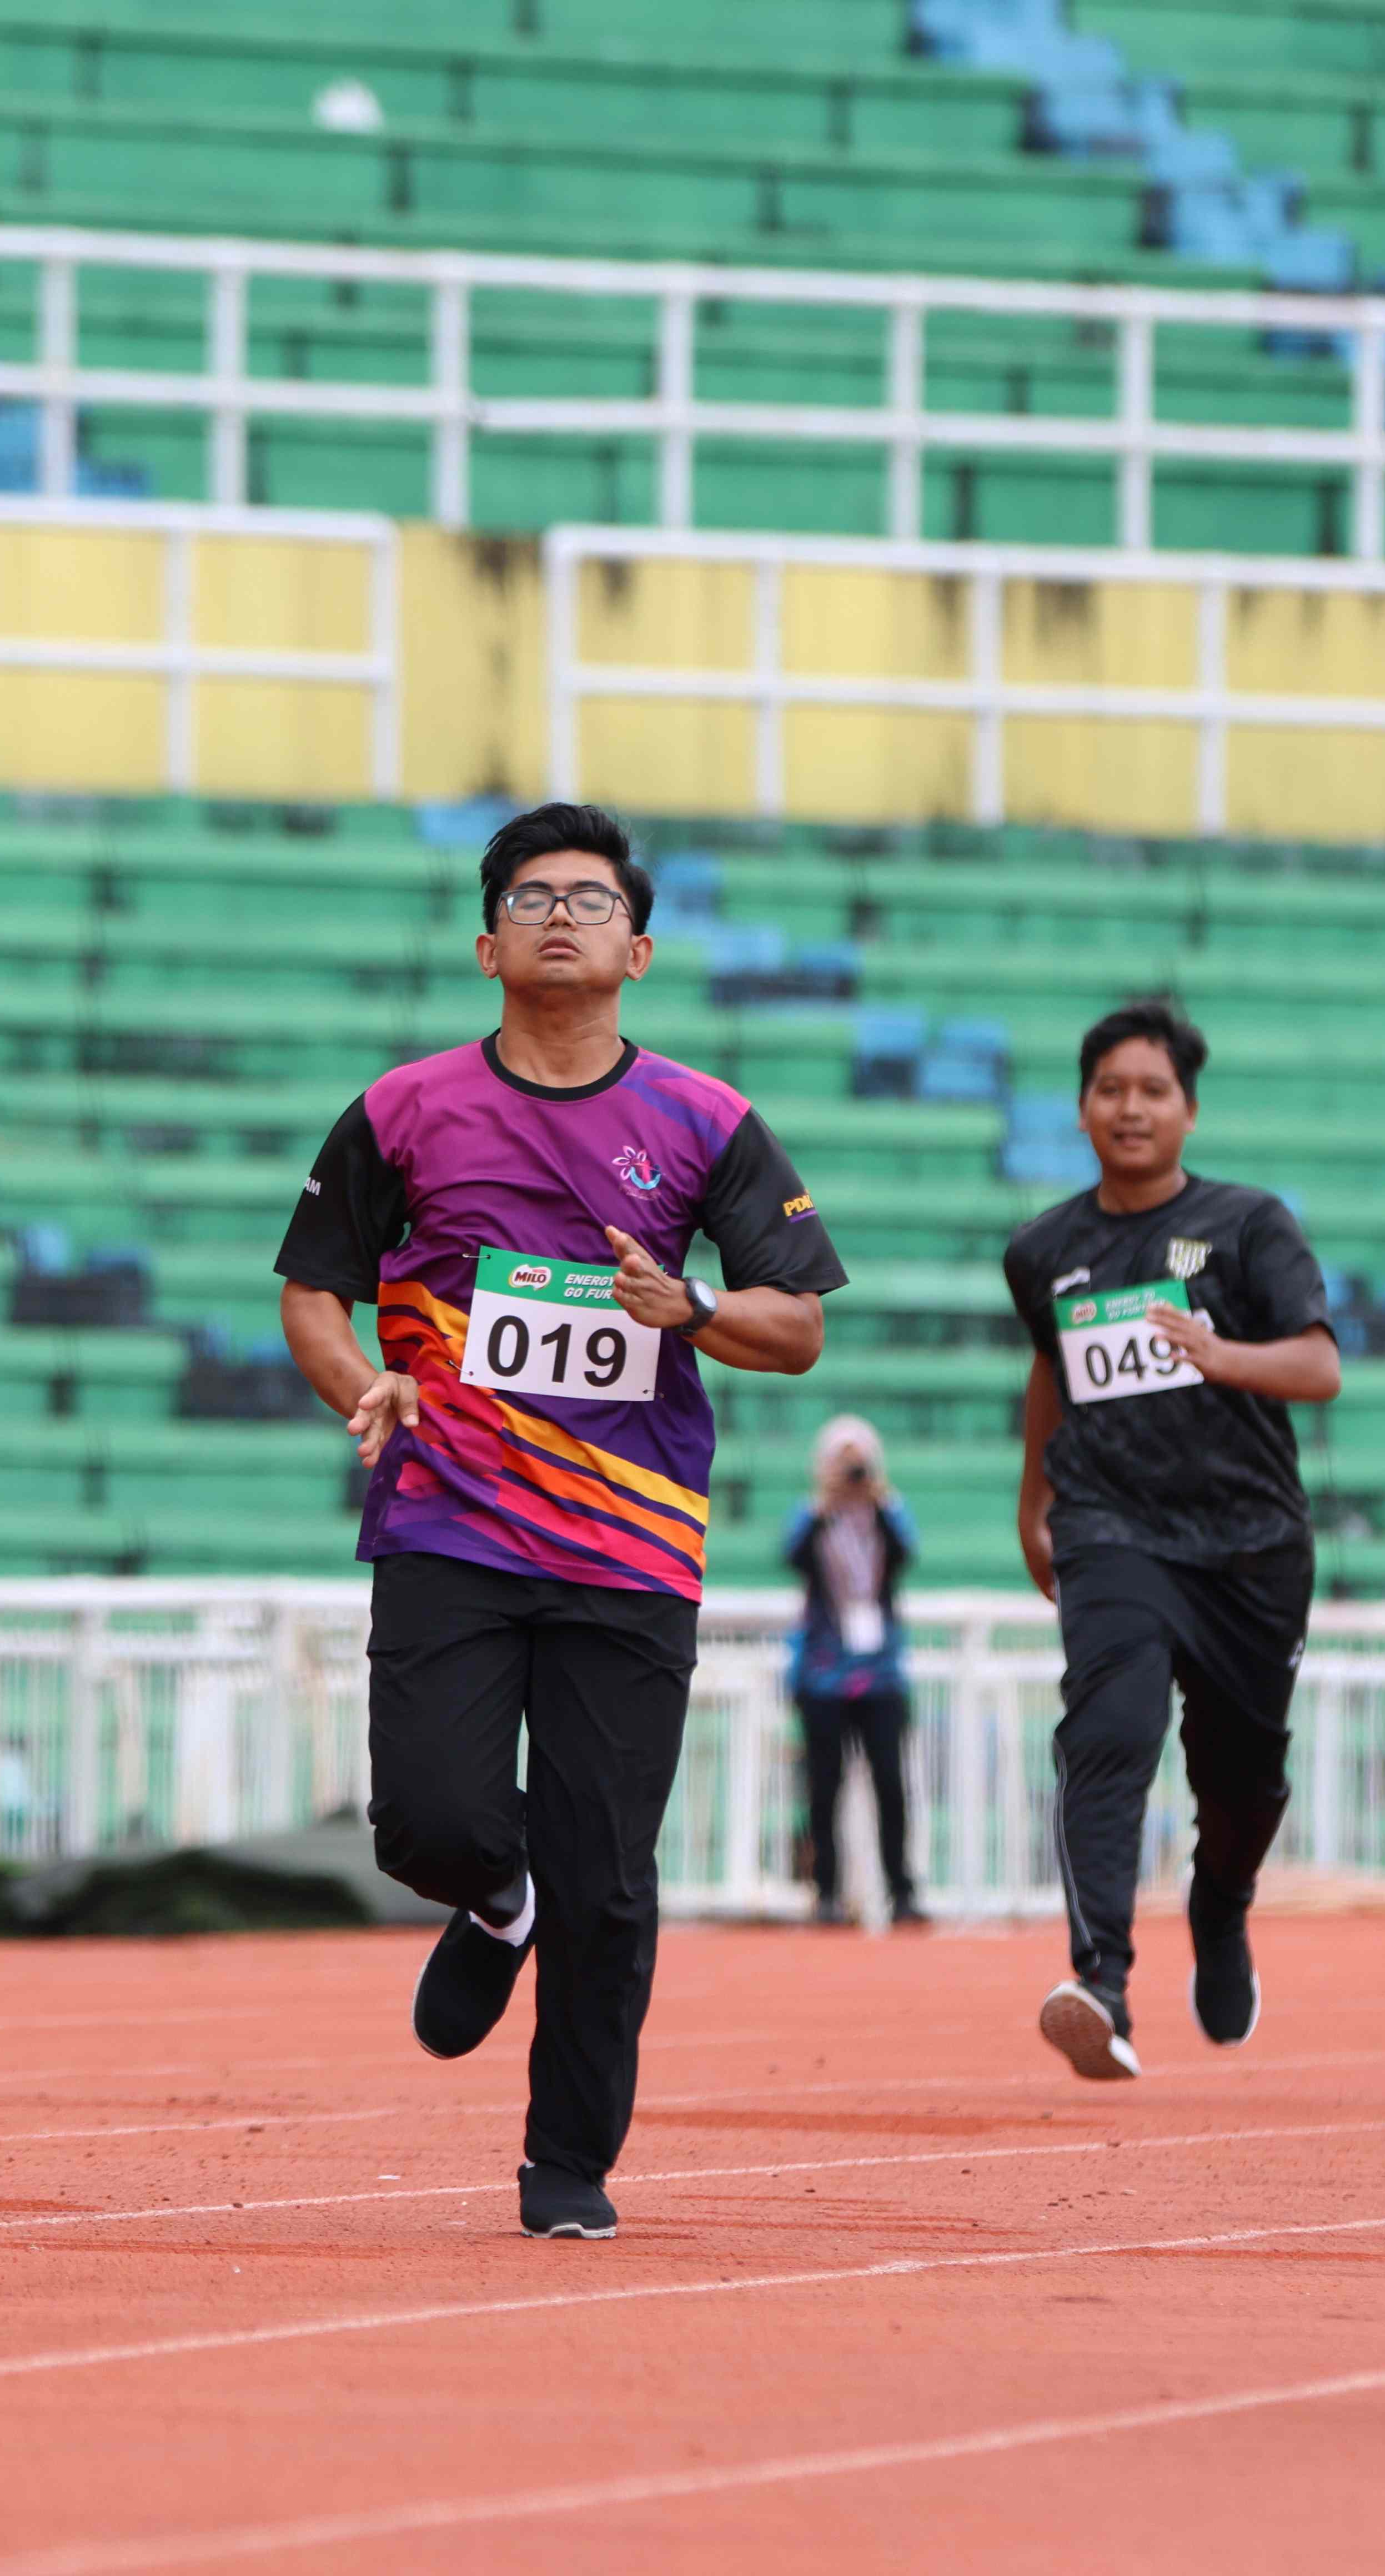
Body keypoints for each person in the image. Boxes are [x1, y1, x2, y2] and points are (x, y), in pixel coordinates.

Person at [275, 802, 846, 2241]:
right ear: (486, 946)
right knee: (430, 1816)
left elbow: (797, 1327)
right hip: (449, 1519)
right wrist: (361, 1383)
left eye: (591, 900)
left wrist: (692, 1305)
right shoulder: (404, 1110)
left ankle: (569, 2162)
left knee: (611, 1878)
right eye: (529, 898)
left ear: (637, 951)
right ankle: (495, 1899)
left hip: (628, 1548)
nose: (558, 917)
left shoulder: (707, 1122)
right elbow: (313, 1288)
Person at [1002, 1002, 1338, 2081]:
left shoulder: (1249, 1226)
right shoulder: (1042, 1250)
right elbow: (1052, 1370)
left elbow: (1320, 1367)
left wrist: (1219, 1353)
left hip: (1249, 1545)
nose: (1131, 1108)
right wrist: (1034, 1502)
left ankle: (1221, 1902)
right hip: (1113, 1529)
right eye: (1110, 1089)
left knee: (1244, 1778)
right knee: (1109, 1730)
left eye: (1153, 1090)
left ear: (1189, 1110)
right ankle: (1100, 1982)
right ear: (1082, 1109)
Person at [781, 1415, 921, 1928]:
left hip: (881, 1674)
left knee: (891, 1785)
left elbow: (907, 1551)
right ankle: (827, 1894)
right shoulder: (813, 1515)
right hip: (823, 1675)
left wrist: (878, 1498)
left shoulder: (887, 1513)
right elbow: (792, 1555)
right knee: (824, 1788)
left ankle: (902, 1891)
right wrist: (826, 1502)